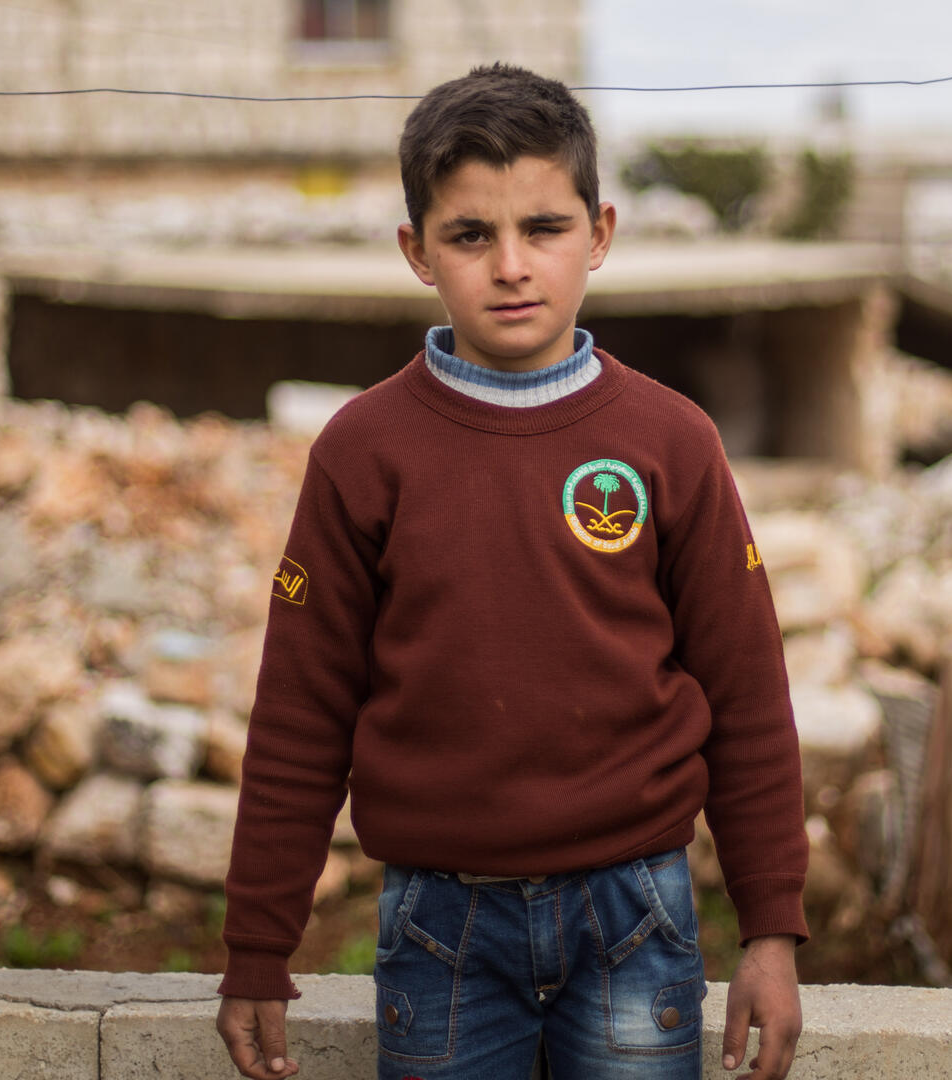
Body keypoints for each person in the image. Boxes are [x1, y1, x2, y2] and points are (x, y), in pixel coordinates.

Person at [214, 62, 808, 1080]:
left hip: (637, 913)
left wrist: (772, 932)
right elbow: (301, 711)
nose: (512, 265)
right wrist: (256, 949)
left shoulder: (671, 441)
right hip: (439, 929)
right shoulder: (365, 452)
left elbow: (748, 693)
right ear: (417, 252)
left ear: (601, 234)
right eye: (470, 235)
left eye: (544, 227)